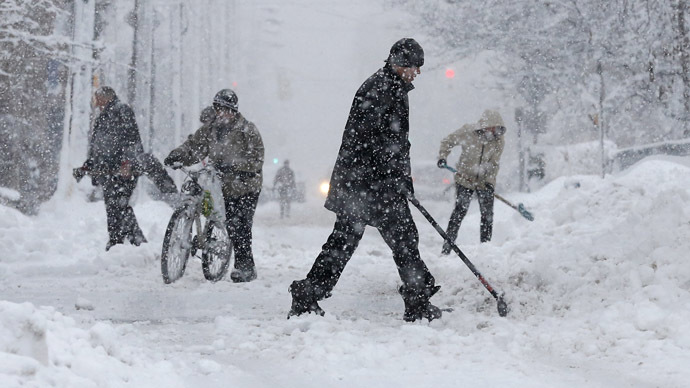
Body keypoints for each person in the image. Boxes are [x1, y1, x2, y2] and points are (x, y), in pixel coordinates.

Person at [288, 38, 442, 322]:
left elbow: (396, 143)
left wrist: (403, 178)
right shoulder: (380, 89)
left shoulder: (391, 87)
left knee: (350, 242)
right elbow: (369, 143)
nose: (418, 72)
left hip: (368, 185)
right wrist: (391, 175)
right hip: (367, 185)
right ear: (401, 63)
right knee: (399, 240)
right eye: (415, 66)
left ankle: (308, 293)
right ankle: (418, 300)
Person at [164, 89, 264, 283]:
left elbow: (257, 160)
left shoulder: (247, 130)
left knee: (239, 226)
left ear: (233, 111)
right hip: (221, 182)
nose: (221, 113)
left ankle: (245, 267)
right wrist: (178, 154)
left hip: (245, 186)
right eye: (218, 108)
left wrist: (236, 166)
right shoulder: (210, 129)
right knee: (202, 198)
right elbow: (193, 146)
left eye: (225, 109)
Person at [73, 86, 147, 251]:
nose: (96, 102)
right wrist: (87, 166)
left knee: (119, 205)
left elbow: (132, 138)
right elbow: (97, 147)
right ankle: (121, 241)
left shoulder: (122, 111)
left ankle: (130, 241)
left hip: (123, 170)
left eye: (98, 98)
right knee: (113, 206)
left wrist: (127, 163)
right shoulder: (102, 117)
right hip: (108, 171)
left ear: (107, 98)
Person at [436, 109, 506, 252]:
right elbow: (447, 141)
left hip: (484, 181)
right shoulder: (468, 132)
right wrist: (443, 156)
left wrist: (490, 182)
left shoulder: (498, 141)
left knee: (487, 215)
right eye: (490, 127)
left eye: (495, 128)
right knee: (459, 211)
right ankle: (447, 247)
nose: (492, 131)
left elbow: (494, 164)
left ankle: (485, 249)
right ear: (484, 125)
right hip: (464, 178)